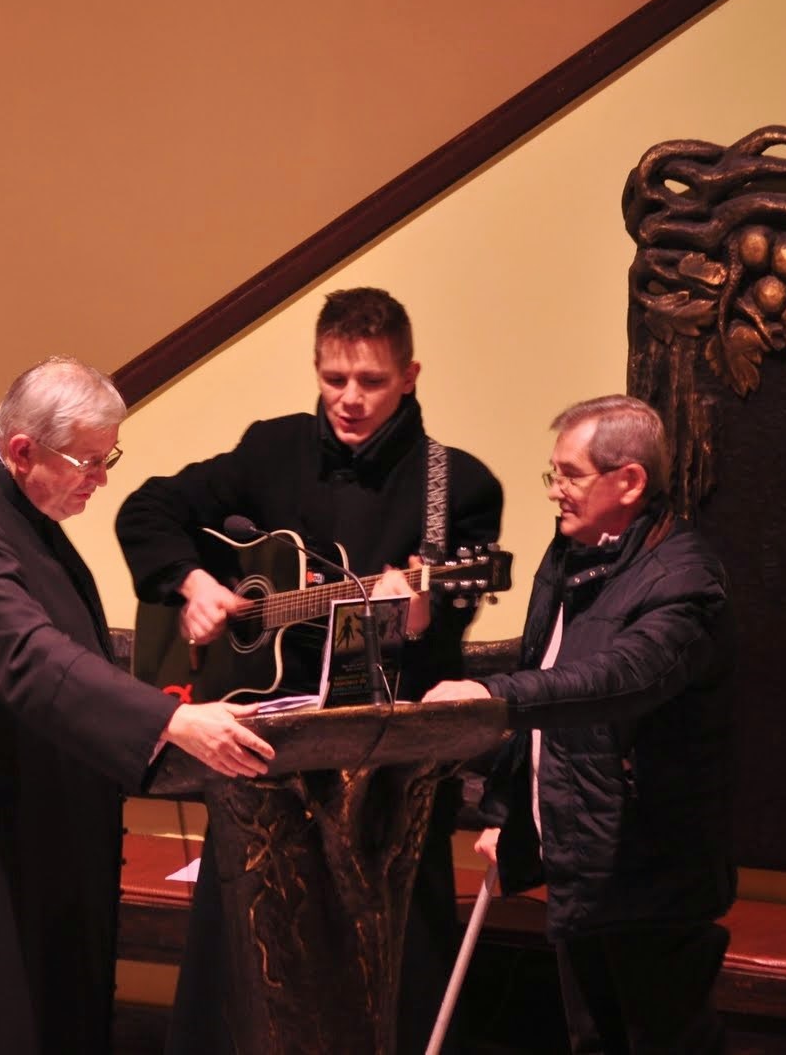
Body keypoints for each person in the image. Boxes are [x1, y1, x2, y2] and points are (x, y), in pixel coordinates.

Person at [0, 357, 276, 1055]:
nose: (101, 479)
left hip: (27, 799)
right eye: (90, 461)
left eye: (110, 458)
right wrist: (170, 719)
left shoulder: (15, 502)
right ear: (24, 450)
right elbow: (28, 653)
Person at [115, 286, 503, 1054]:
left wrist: (416, 617)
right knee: (247, 957)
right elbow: (147, 509)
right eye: (334, 378)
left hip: (388, 771)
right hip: (268, 756)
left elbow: (446, 634)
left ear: (410, 375)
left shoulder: (455, 484)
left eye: (372, 381)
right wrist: (193, 583)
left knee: (389, 962)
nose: (349, 399)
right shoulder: (273, 449)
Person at [425, 394, 735, 1053]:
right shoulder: (573, 556)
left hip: (652, 874)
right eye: (554, 473)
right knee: (591, 1041)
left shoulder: (685, 577)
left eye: (569, 474)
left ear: (629, 481)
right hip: (584, 864)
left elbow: (618, 680)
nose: (554, 491)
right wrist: (513, 815)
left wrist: (489, 694)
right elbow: (547, 678)